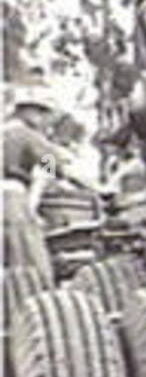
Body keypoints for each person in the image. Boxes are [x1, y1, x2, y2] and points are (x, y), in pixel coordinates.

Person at [3, 85, 106, 282]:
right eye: (42, 112)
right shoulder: (25, 135)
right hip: (10, 198)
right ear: (28, 111)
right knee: (30, 260)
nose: (44, 119)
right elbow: (56, 168)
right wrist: (96, 189)